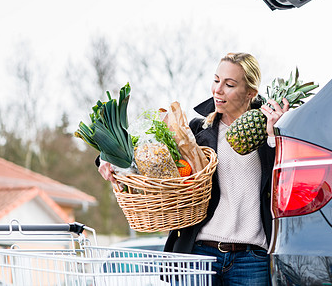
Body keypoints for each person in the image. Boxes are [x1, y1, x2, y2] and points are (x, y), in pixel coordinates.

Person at [98, 52, 289, 285]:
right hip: (199, 253)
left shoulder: (273, 134)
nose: (218, 89)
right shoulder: (195, 132)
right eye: (216, 80)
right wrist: (108, 159)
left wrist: (273, 136)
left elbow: (284, 184)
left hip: (251, 258)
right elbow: (148, 157)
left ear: (251, 93)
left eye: (229, 84)